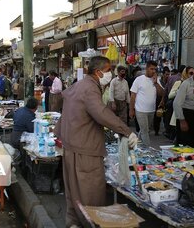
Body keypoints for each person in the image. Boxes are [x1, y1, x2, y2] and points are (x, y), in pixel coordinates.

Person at [54, 56, 138, 227]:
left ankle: (73, 223)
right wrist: (127, 131)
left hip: (72, 145)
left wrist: (59, 135)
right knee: (89, 192)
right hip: (85, 149)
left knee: (74, 191)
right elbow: (100, 113)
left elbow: (67, 114)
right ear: (98, 72)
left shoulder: (79, 85)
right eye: (108, 71)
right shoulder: (90, 88)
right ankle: (88, 223)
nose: (111, 74)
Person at [130, 60, 164, 147]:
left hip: (151, 110)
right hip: (140, 110)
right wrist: (131, 110)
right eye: (151, 69)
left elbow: (162, 93)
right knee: (145, 130)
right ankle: (148, 148)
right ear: (146, 68)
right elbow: (133, 96)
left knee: (145, 129)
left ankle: (136, 145)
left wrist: (156, 83)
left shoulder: (156, 80)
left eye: (155, 69)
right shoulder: (139, 79)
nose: (153, 71)